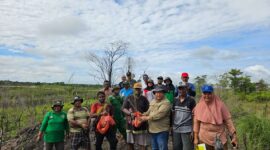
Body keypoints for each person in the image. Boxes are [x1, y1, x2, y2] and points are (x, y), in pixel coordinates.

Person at [193, 85, 238, 150]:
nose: (207, 96)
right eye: (205, 93)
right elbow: (196, 123)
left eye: (209, 93)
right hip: (203, 138)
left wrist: (234, 136)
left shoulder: (221, 105)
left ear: (213, 94)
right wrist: (196, 138)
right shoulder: (198, 106)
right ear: (202, 94)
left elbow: (228, 122)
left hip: (220, 139)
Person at [140, 86, 171, 150]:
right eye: (156, 93)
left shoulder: (166, 103)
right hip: (152, 130)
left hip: (161, 130)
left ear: (163, 93)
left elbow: (159, 115)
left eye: (160, 92)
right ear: (154, 93)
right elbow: (149, 112)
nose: (158, 94)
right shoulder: (153, 101)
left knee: (162, 148)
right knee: (154, 148)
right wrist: (141, 115)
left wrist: (146, 118)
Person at [122, 82, 150, 150]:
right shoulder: (129, 97)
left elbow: (148, 110)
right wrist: (130, 113)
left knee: (143, 143)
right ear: (133, 89)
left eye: (139, 89)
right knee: (130, 143)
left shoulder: (144, 99)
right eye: (136, 89)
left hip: (141, 123)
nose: (137, 90)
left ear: (141, 90)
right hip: (130, 123)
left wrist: (143, 115)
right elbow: (123, 108)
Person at [172, 83, 196, 150]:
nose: (181, 90)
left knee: (187, 148)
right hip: (176, 128)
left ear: (186, 89)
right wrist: (172, 126)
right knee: (177, 147)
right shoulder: (175, 100)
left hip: (187, 129)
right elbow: (173, 114)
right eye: (180, 88)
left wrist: (193, 130)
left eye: (183, 88)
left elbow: (194, 116)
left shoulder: (191, 100)